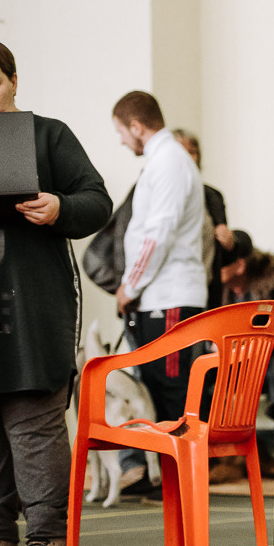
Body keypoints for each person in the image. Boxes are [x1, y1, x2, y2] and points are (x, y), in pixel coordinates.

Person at [0, 40, 113, 546]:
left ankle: (48, 540)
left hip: (33, 302)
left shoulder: (49, 134)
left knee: (33, 421)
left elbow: (97, 199)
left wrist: (59, 207)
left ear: (14, 80)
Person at [111, 91, 207, 424]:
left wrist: (129, 286)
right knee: (157, 392)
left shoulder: (169, 161)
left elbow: (158, 234)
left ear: (136, 127)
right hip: (162, 296)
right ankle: (166, 478)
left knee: (172, 396)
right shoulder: (166, 159)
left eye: (121, 132)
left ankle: (181, 478)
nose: (122, 142)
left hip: (169, 298)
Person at [171, 128, 239, 309]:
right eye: (182, 151)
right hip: (171, 291)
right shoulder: (154, 190)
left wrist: (230, 242)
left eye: (193, 152)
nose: (189, 158)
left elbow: (222, 251)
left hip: (207, 287)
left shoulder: (212, 196)